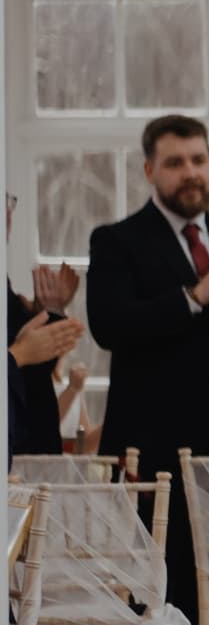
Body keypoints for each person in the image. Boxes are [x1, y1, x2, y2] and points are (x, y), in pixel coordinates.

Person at [88, 114, 209, 625]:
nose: (191, 172)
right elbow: (109, 325)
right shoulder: (117, 241)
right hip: (152, 451)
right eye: (176, 162)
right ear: (149, 170)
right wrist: (194, 297)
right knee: (152, 602)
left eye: (199, 160)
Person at [6, 192, 85, 457]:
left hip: (31, 453)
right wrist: (19, 354)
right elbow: (19, 356)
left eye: (8, 202)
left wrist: (50, 311)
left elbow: (33, 374)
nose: (8, 212)